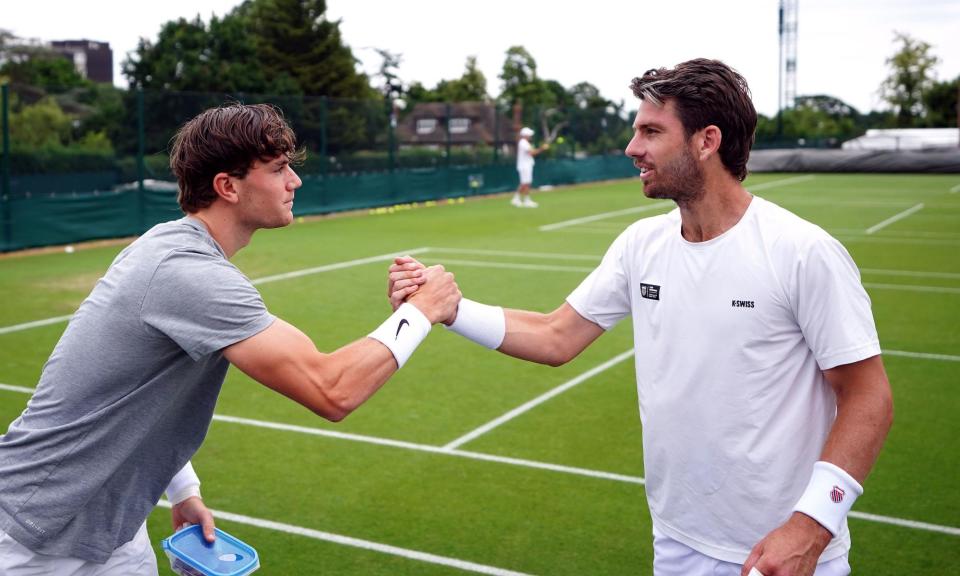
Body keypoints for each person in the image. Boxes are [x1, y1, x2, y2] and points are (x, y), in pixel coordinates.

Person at [389, 59, 893, 576]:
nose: (633, 149)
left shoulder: (803, 251)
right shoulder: (641, 244)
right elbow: (555, 335)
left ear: (707, 140)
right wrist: (449, 310)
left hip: (781, 554)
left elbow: (868, 395)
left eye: (651, 131)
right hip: (674, 540)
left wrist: (812, 526)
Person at [0, 103, 461, 575]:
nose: (294, 181)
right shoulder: (187, 273)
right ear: (227, 186)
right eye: (279, 169)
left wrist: (183, 491)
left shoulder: (174, 249)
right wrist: (423, 311)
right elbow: (332, 389)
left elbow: (138, 392)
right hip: (33, 536)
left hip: (113, 528)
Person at [511, 126, 548, 208]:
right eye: (529, 135)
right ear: (525, 135)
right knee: (526, 183)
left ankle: (516, 199)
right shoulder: (523, 143)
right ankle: (526, 200)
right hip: (524, 166)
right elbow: (532, 153)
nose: (531, 136)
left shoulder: (525, 143)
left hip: (526, 165)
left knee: (525, 183)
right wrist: (542, 148)